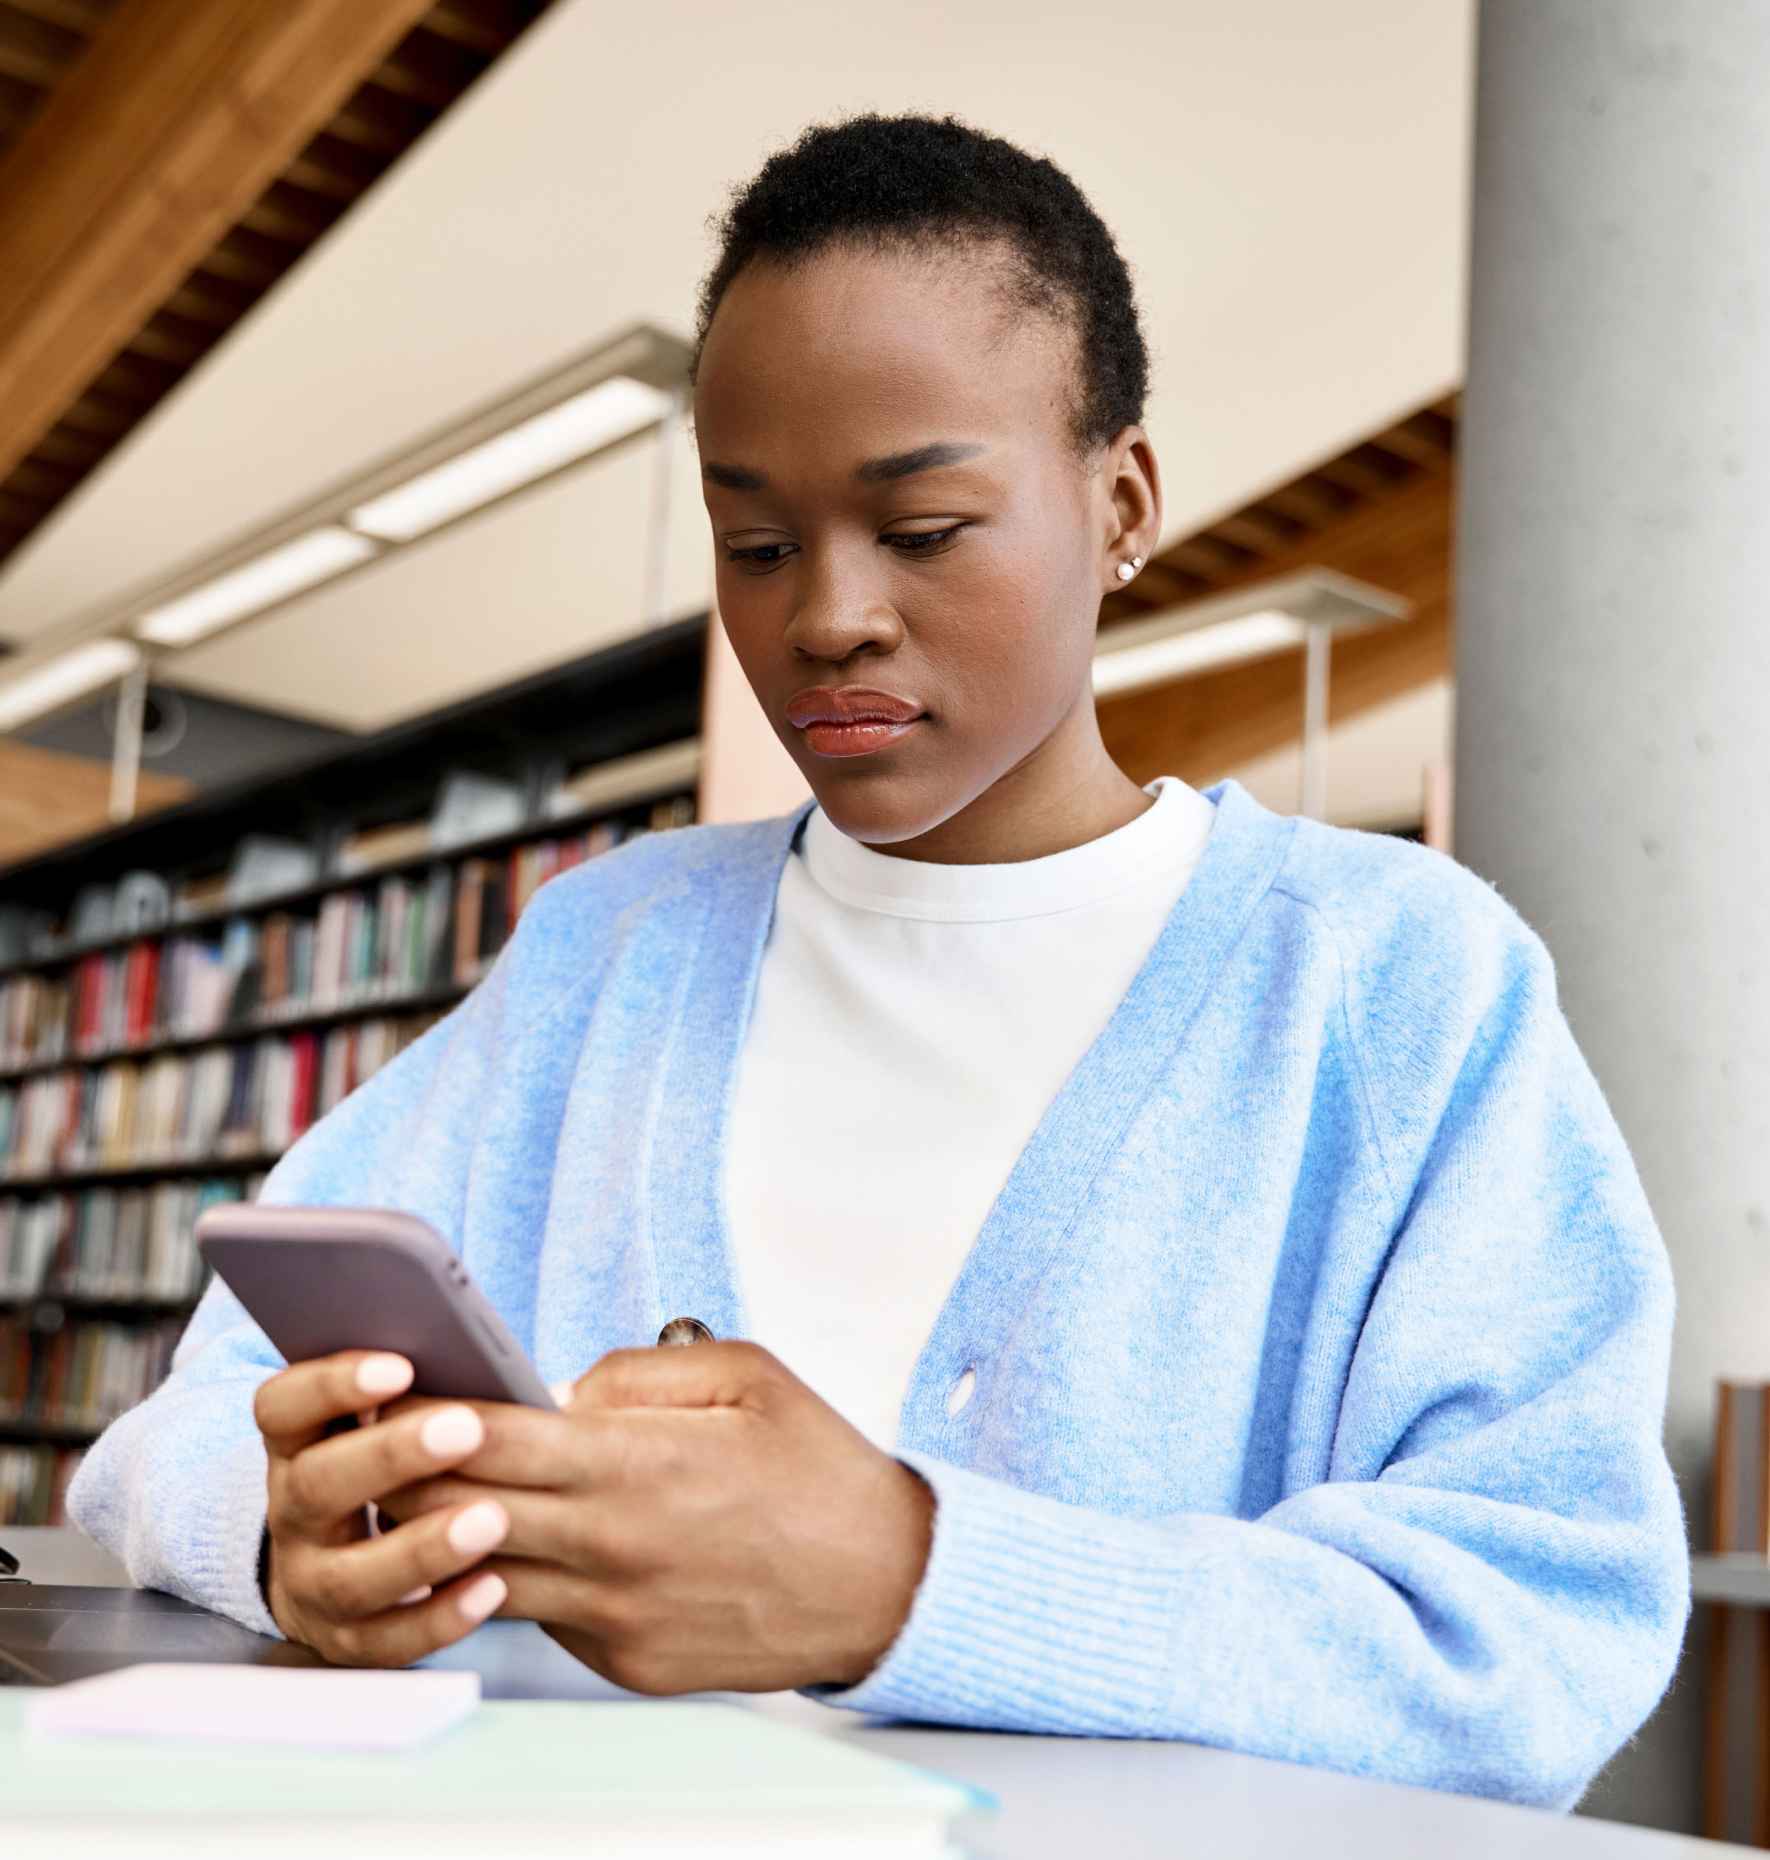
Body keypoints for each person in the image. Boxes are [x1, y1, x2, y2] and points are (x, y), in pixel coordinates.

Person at [69, 112, 1689, 1810]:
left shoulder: (1394, 983)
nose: (823, 616)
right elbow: (187, 1418)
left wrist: (909, 1580)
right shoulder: (607, 952)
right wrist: (279, 1531)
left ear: (1120, 502)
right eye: (754, 545)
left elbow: (1531, 1630)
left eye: (920, 530)